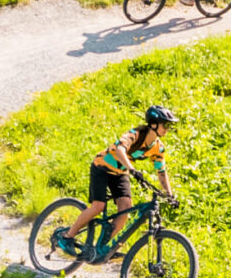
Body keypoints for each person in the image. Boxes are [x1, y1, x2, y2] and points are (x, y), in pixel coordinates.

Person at [62, 106, 180, 251]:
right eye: (165, 125)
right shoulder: (135, 134)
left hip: (120, 173)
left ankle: (103, 249)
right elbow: (120, 150)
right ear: (153, 124)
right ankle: (67, 237)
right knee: (98, 206)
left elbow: (161, 172)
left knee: (126, 209)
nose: (167, 129)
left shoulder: (158, 147)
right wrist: (132, 169)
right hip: (102, 167)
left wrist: (169, 194)